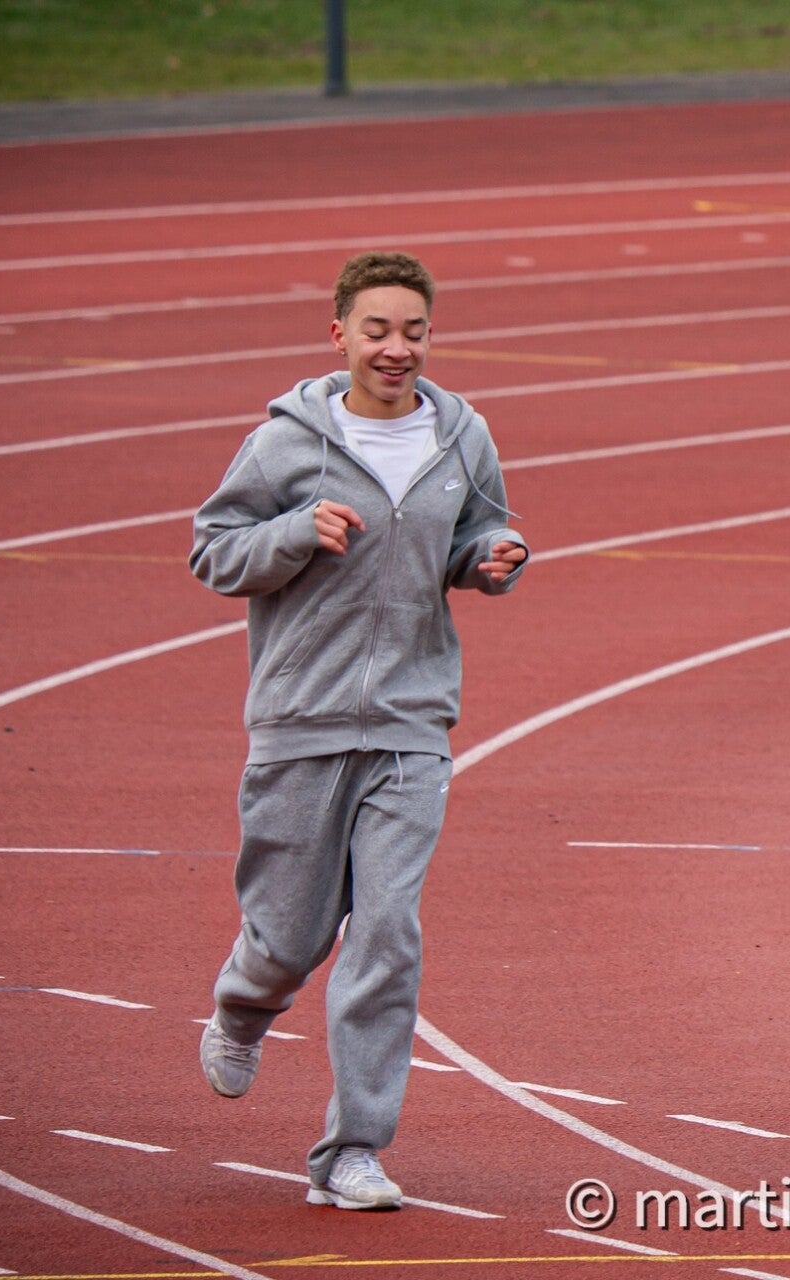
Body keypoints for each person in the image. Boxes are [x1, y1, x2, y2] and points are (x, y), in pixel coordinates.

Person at [190, 251, 528, 1210]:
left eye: (413, 331)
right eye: (377, 329)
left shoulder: (461, 436)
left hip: (413, 723)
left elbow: (478, 532)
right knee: (289, 938)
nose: (396, 348)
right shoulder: (285, 444)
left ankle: (352, 1152)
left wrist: (493, 557)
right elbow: (214, 552)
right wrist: (296, 532)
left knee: (386, 936)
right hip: (301, 718)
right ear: (339, 334)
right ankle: (244, 1005)